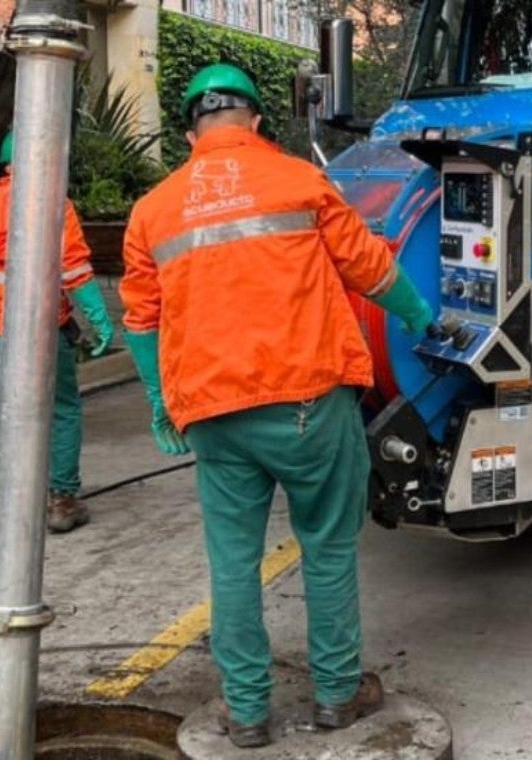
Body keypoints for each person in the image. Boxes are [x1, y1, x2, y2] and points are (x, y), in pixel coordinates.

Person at [119, 63, 433, 749]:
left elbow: (140, 320)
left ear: (189, 131)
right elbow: (369, 265)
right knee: (325, 548)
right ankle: (336, 695)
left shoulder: (154, 210)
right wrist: (418, 316)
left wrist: (159, 403)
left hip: (214, 414)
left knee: (232, 563)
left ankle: (247, 710)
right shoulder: (299, 180)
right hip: (309, 404)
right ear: (257, 121)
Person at [0, 131, 114, 552]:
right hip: (42, 333)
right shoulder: (54, 207)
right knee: (62, 410)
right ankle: (61, 502)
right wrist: (102, 322)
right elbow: (75, 272)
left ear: (4, 165)